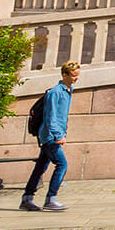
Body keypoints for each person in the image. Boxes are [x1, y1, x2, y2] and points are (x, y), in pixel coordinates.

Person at [21, 61, 79, 212]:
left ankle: (27, 198)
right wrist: (58, 135)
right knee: (62, 165)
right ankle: (51, 199)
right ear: (64, 75)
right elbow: (50, 117)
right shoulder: (55, 92)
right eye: (73, 75)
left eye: (77, 76)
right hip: (50, 136)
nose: (76, 78)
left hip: (53, 134)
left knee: (41, 166)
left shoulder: (68, 90)